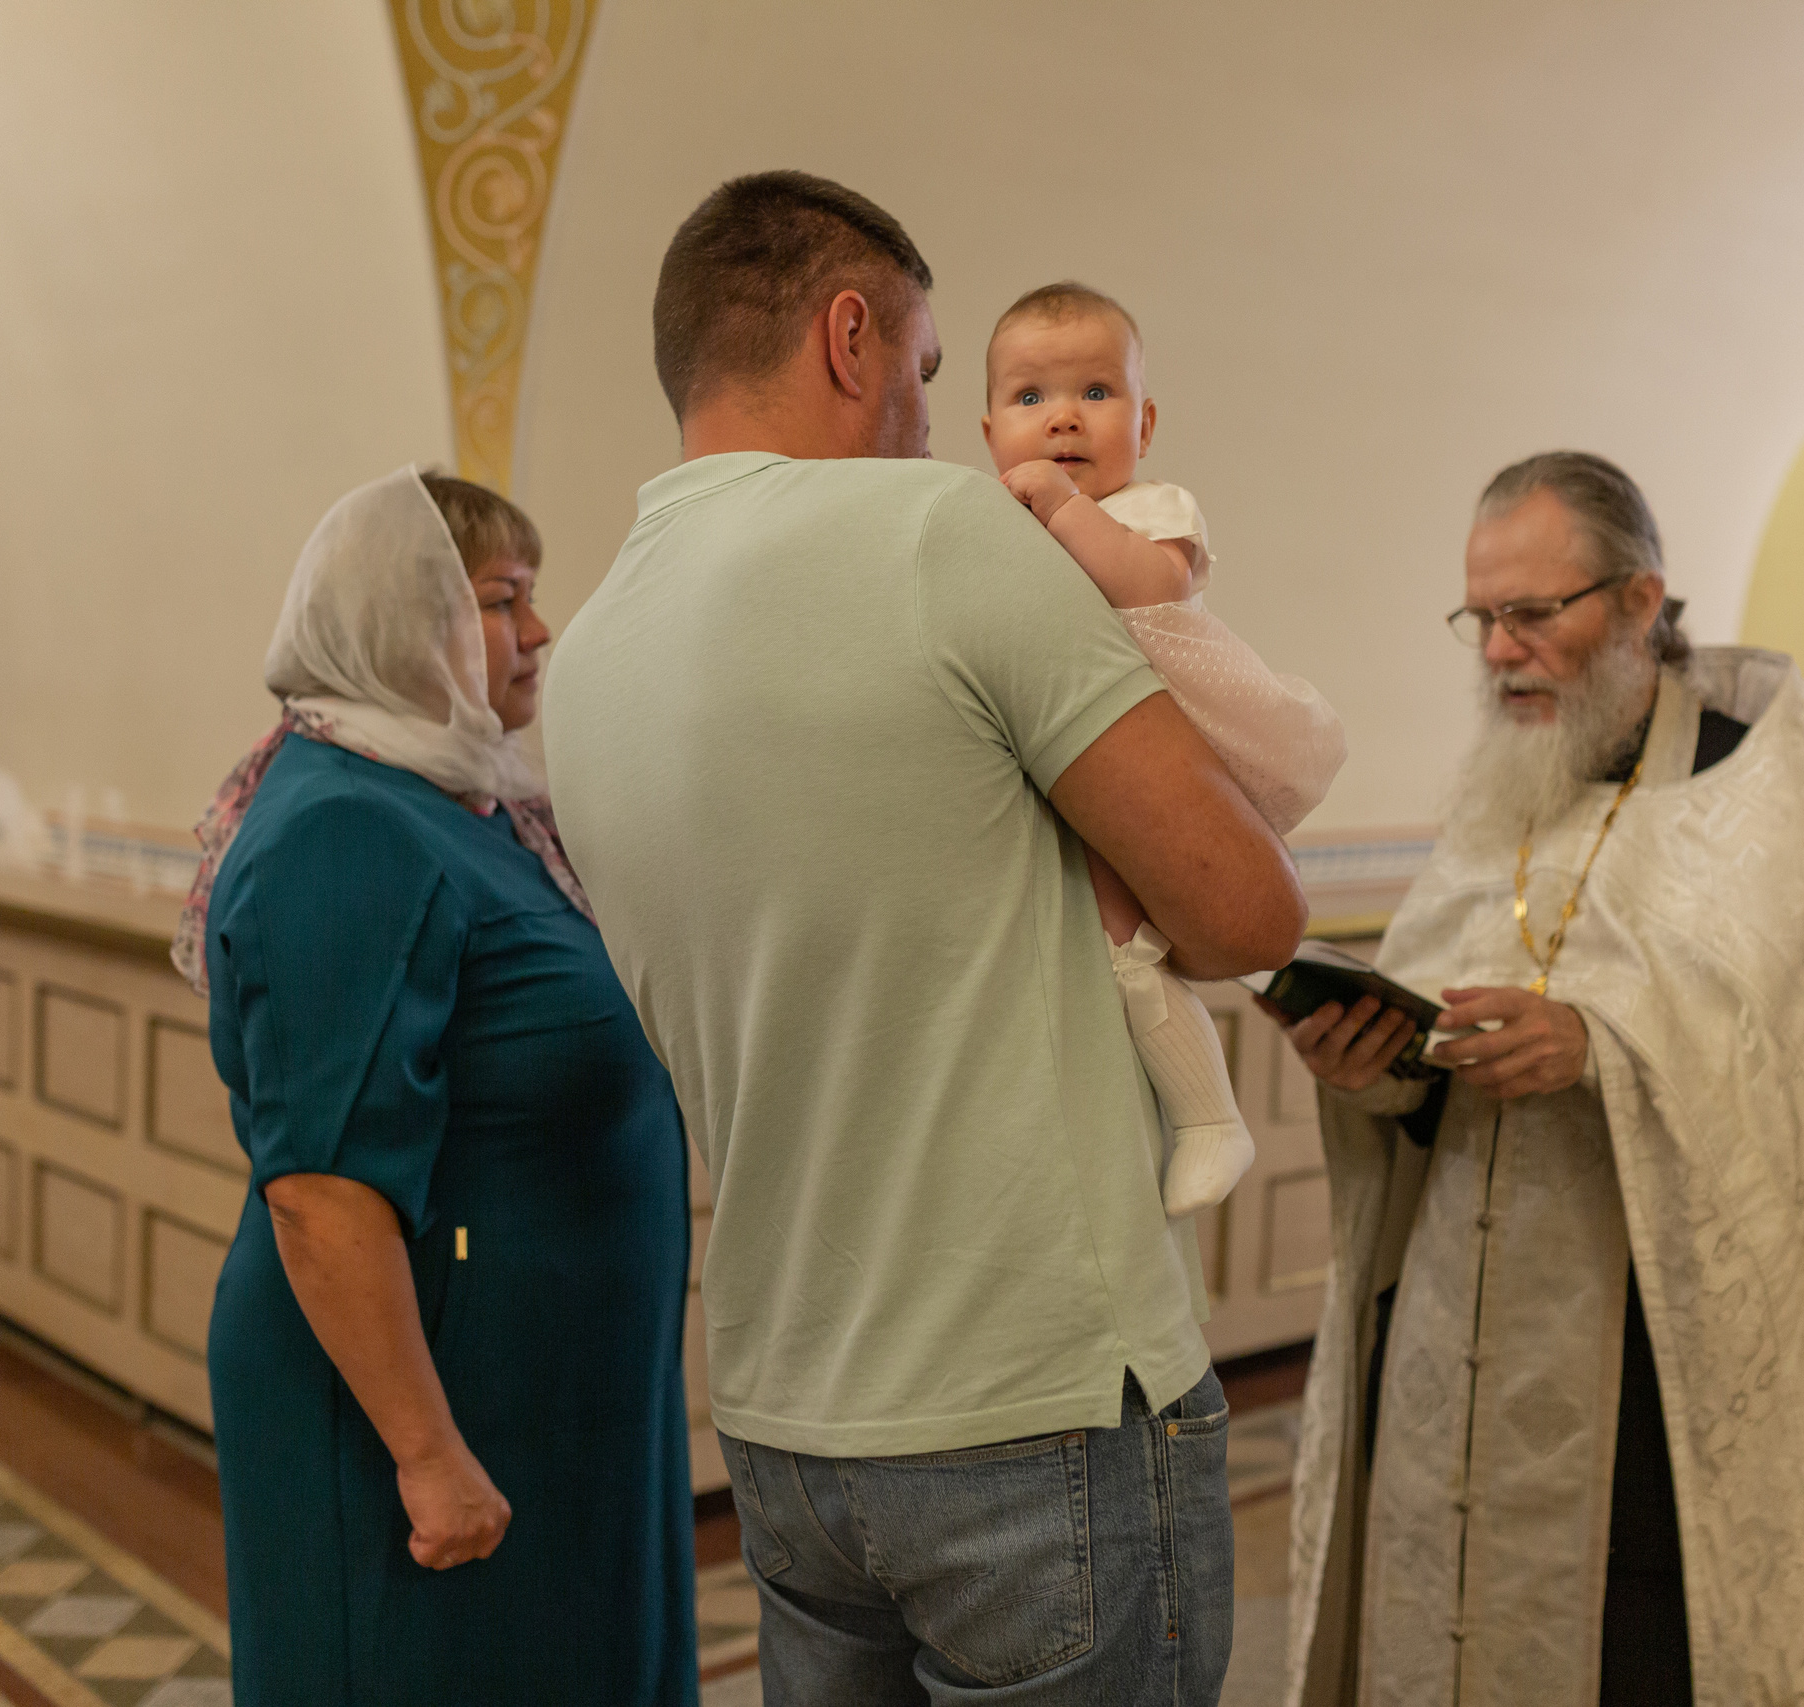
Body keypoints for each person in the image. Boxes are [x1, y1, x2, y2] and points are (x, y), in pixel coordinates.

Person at [544, 171, 1306, 1705]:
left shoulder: (584, 648)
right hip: (1027, 1394)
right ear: (850, 336)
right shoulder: (940, 535)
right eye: (933, 372)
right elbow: (1246, 909)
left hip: (783, 1411)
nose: (936, 421)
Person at [1270, 453, 1804, 1706]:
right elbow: (1443, 1020)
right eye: (1480, 618)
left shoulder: (1751, 791)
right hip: (1459, 1310)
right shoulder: (1510, 783)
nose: (1498, 651)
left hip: (1654, 1355)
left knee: (1633, 1648)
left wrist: (1602, 1048)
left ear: (1642, 601)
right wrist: (1374, 1073)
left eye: (1534, 614)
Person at [179, 469, 697, 1706]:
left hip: (537, 1387)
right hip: (426, 1408)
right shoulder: (345, 830)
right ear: (398, 623)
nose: (538, 632)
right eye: (502, 600)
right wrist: (428, 1455)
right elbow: (320, 1191)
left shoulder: (463, 798)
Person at [983, 280, 1346, 1217]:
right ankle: (1191, 1115)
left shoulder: (1151, 508)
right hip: (1075, 766)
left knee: (1138, 932)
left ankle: (1211, 1114)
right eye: (1030, 398)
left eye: (1095, 393)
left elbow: (1148, 586)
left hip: (1187, 735)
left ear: (1143, 422)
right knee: (1113, 942)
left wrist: (1061, 506)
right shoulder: (990, 532)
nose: (1063, 416)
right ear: (988, 435)